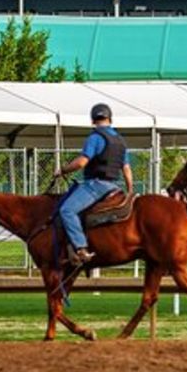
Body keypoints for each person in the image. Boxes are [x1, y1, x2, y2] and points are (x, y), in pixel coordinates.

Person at [57, 103, 133, 264]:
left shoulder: (95, 137)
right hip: (114, 186)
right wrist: (130, 190)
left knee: (67, 210)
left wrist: (62, 170)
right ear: (110, 118)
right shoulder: (120, 141)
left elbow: (81, 162)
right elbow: (126, 169)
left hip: (96, 185)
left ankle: (80, 248)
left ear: (92, 120)